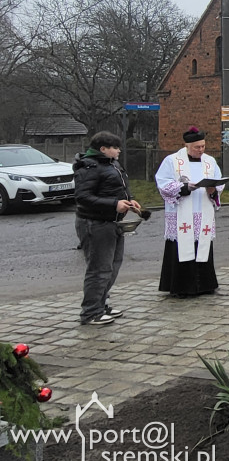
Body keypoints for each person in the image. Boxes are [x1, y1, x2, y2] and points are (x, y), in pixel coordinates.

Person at [74, 131, 138, 325]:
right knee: (99, 269)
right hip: (95, 223)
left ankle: (101, 305)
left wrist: (129, 200)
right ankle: (90, 312)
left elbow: (120, 187)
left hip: (113, 223)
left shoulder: (112, 164)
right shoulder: (89, 167)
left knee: (112, 267)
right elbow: (83, 197)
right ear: (103, 149)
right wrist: (113, 204)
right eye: (115, 147)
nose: (119, 150)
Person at [155, 127, 225, 298]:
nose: (201, 150)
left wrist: (213, 190)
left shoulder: (209, 161)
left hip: (203, 211)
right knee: (181, 247)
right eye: (197, 147)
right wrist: (185, 187)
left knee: (202, 246)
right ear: (186, 145)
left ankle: (205, 285)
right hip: (182, 212)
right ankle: (181, 287)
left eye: (203, 146)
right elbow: (163, 183)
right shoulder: (172, 161)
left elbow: (219, 182)